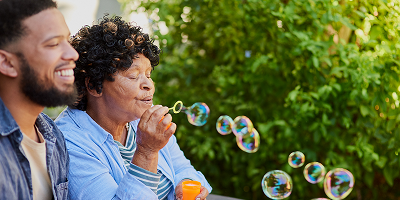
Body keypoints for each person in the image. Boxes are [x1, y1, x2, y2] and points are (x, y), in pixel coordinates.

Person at [55, 15, 212, 200]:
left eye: (148, 74)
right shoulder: (70, 142)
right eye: (133, 76)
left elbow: (182, 168)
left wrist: (185, 184)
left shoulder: (141, 119)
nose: (149, 85)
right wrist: (147, 151)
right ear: (94, 85)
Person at [0, 0, 79, 199]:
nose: (73, 54)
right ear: (7, 62)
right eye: (53, 44)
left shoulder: (53, 134)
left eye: (67, 41)